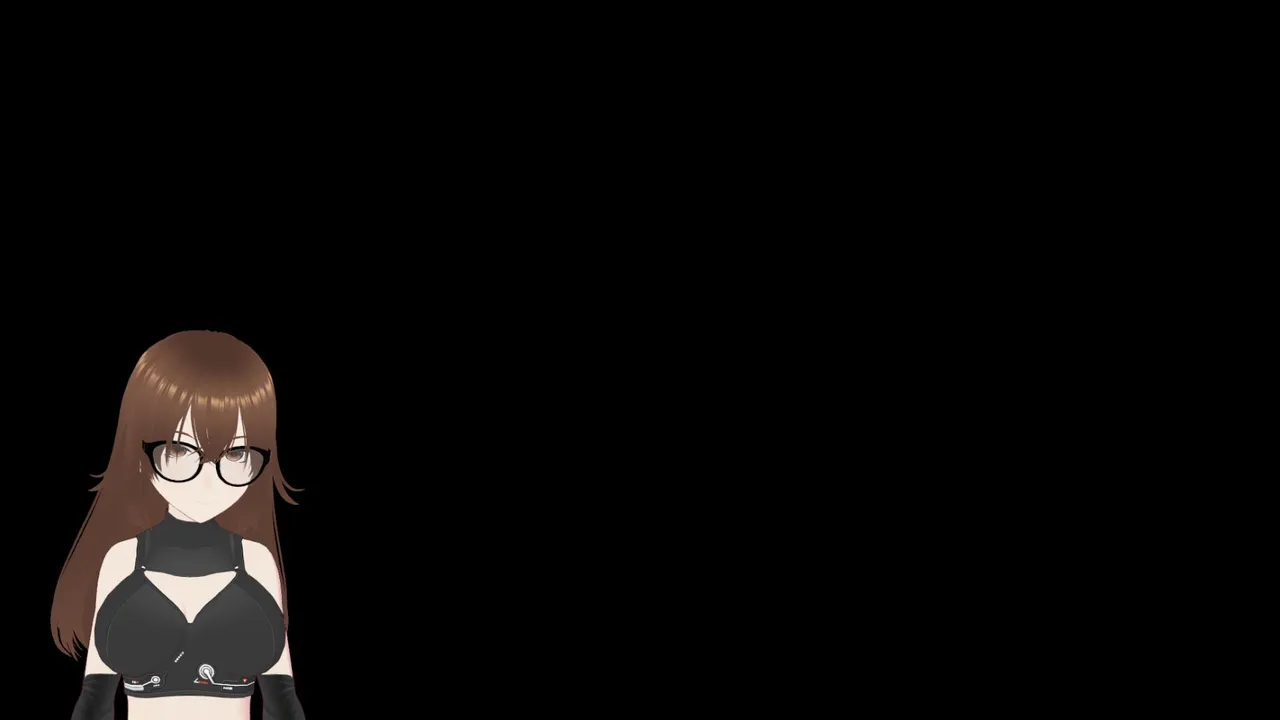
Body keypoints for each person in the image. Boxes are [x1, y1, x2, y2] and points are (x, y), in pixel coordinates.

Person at [51, 330, 306, 720]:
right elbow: (95, 700)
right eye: (179, 450)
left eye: (236, 454)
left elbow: (282, 699)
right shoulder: (122, 560)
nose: (209, 481)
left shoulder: (257, 562)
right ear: (139, 451)